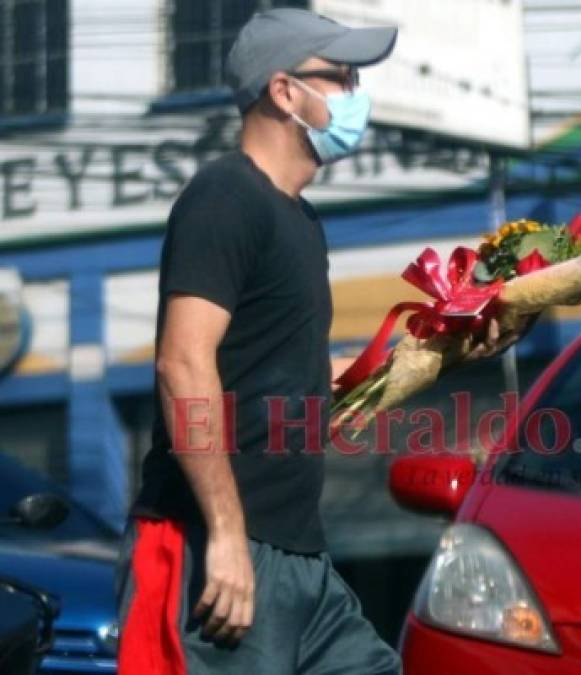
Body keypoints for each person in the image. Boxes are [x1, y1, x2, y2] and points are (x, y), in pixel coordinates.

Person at [114, 7, 529, 675]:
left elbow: (306, 379)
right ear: (283, 91)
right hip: (214, 550)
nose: (355, 95)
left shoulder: (300, 223)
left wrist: (449, 346)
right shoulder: (225, 196)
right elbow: (182, 361)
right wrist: (225, 534)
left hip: (301, 559)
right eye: (339, 77)